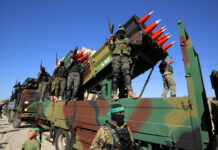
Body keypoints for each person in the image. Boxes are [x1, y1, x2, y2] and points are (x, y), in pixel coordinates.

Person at [109, 25, 143, 100]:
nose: (121, 34)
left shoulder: (127, 40)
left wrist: (141, 34)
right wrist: (111, 42)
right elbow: (111, 49)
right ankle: (115, 94)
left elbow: (139, 43)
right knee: (115, 76)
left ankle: (130, 92)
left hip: (125, 58)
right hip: (116, 58)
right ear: (117, 33)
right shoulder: (115, 41)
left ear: (124, 33)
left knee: (127, 73)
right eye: (119, 32)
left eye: (122, 32)